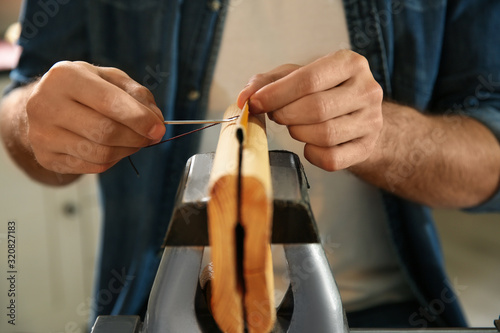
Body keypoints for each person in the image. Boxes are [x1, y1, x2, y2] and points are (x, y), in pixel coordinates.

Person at [1, 0, 499, 329]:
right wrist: (29, 120)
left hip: (389, 309)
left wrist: (383, 135)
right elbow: (20, 104)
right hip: (161, 306)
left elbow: (488, 163)